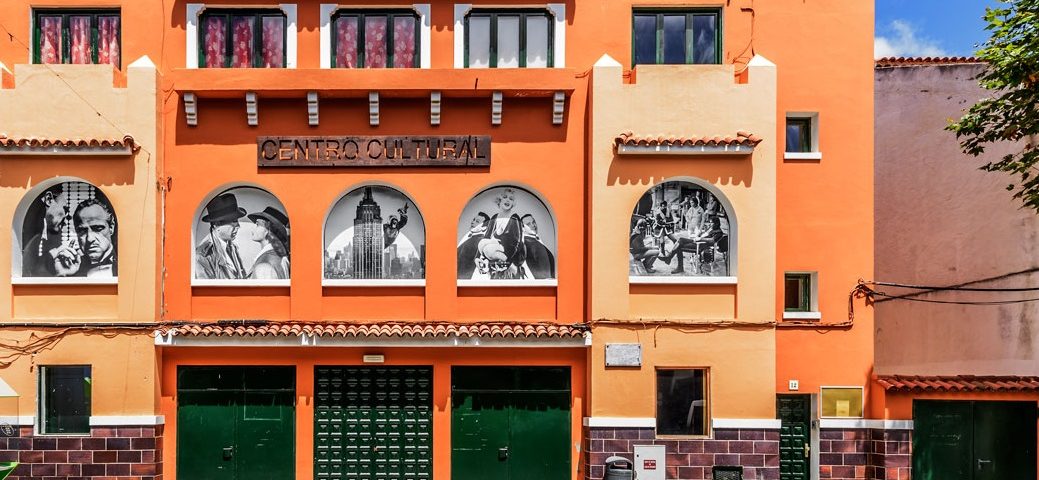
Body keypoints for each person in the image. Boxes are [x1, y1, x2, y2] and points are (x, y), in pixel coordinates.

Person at [195, 193, 247, 279]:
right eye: (233, 221)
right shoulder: (202, 256)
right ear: (216, 225)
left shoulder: (233, 248)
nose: (238, 226)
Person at [477, 188, 526, 279]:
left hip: (509, 259)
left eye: (511, 199)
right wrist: (478, 258)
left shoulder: (515, 218)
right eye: (505, 197)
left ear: (513, 203)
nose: (508, 200)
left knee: (488, 248)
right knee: (482, 243)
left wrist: (507, 262)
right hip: (495, 259)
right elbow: (486, 237)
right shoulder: (494, 217)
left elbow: (517, 243)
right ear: (499, 200)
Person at [22, 189, 69, 277]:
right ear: (49, 199)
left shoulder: (49, 236)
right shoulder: (28, 235)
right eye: (65, 209)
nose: (66, 221)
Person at [68, 198, 117, 277]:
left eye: (97, 228)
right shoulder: (71, 269)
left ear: (111, 227)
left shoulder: (129, 264)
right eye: (82, 231)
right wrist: (63, 276)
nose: (90, 239)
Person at [246, 206, 290, 280]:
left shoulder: (265, 265)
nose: (253, 230)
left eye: (257, 225)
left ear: (268, 230)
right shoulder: (278, 256)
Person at [521, 214, 555, 279]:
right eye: (528, 224)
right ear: (523, 228)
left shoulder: (533, 241)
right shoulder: (529, 243)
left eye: (533, 222)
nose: (533, 225)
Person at [457, 212, 489, 278]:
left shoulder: (479, 241)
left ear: (484, 228)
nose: (472, 222)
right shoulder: (472, 239)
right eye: (473, 220)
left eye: (477, 221)